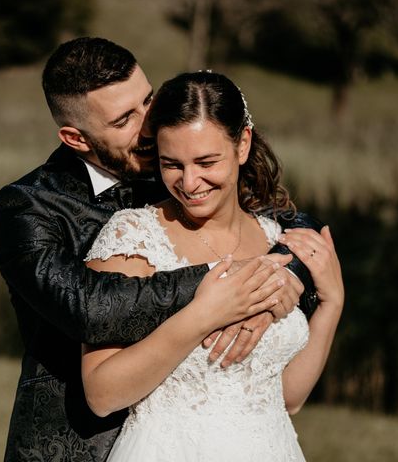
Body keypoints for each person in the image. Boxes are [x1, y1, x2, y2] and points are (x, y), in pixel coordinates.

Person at [0, 38, 316, 462]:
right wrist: (232, 283)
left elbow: (287, 222)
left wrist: (286, 275)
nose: (149, 125)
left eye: (148, 100)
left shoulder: (175, 164)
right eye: (125, 118)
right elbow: (89, 307)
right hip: (76, 444)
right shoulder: (27, 207)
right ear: (76, 137)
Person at [82, 71, 344, 460]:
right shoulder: (133, 237)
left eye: (206, 161)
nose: (189, 182)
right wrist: (204, 314)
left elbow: (287, 398)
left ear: (242, 145)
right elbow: (101, 394)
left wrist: (332, 303)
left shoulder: (275, 239)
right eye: (172, 164)